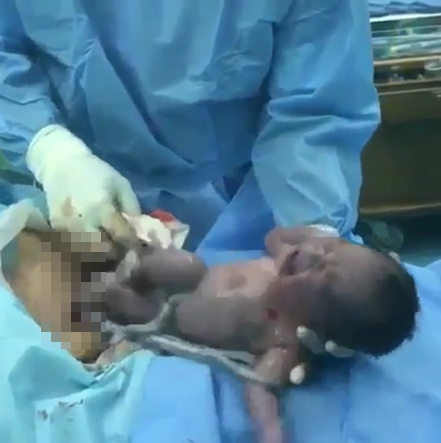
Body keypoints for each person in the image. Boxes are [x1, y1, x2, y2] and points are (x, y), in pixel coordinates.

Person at [0, 1, 380, 360]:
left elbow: (316, 108)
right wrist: (51, 151)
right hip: (65, 184)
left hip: (255, 198)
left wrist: (312, 230)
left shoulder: (283, 272)